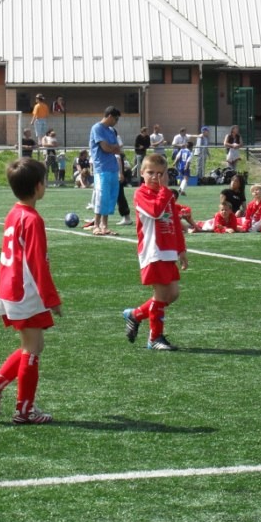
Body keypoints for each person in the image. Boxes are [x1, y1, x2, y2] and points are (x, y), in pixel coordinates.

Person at [0, 157, 62, 424]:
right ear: (38, 187)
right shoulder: (32, 219)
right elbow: (37, 264)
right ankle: (24, 410)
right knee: (33, 348)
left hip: (10, 287)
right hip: (25, 291)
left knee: (32, 345)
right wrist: (51, 298)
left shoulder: (13, 213)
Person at [122, 153, 188, 351]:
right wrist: (165, 190)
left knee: (172, 294)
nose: (155, 177)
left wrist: (181, 249)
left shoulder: (165, 194)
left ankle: (135, 314)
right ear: (142, 173)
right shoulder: (141, 194)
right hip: (153, 251)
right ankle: (154, 337)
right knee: (161, 294)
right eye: (150, 172)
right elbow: (156, 212)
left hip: (168, 251)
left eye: (160, 173)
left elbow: (174, 222)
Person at [89, 106, 123, 236]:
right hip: (101, 167)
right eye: (116, 119)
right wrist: (112, 147)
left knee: (110, 197)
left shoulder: (111, 131)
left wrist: (112, 147)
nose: (116, 122)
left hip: (113, 168)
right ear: (109, 116)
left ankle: (105, 226)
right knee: (101, 196)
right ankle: (96, 225)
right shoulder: (97, 128)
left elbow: (117, 149)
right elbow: (105, 148)